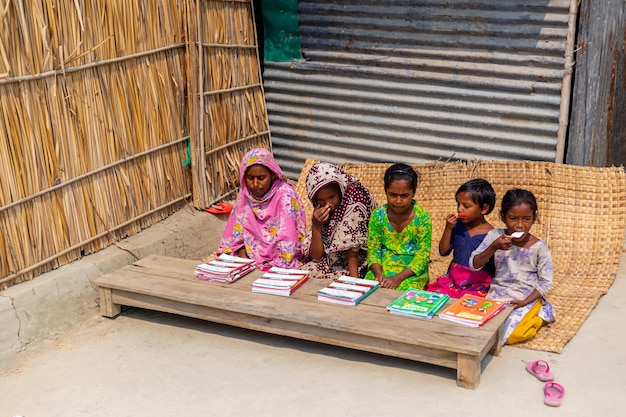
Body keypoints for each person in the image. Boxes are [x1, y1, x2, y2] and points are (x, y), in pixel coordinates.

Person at [470, 188, 555, 345]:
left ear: (534, 218)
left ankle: (541, 313)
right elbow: (474, 264)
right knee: (480, 326)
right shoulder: (495, 236)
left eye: (527, 219)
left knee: (515, 333)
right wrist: (493, 247)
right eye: (513, 218)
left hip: (526, 296)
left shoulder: (539, 247)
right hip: (498, 293)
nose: (520, 225)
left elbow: (545, 282)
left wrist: (524, 302)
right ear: (503, 217)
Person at [216, 148, 306, 270]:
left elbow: (288, 239)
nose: (255, 184)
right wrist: (243, 256)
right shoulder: (245, 195)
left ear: (272, 175)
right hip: (249, 256)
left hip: (278, 258)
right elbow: (237, 233)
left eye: (261, 178)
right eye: (250, 178)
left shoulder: (284, 196)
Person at [301, 162, 377, 279]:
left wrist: (354, 282)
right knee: (302, 277)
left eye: (331, 197)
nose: (328, 204)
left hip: (354, 264)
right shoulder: (320, 211)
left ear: (340, 190)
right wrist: (316, 226)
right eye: (321, 200)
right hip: (328, 262)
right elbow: (317, 257)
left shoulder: (356, 198)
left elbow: (352, 246)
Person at [364, 163, 432, 290]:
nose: (398, 201)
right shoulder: (378, 215)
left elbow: (422, 256)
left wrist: (397, 278)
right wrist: (378, 274)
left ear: (413, 193)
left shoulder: (422, 218)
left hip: (410, 272)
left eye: (404, 195)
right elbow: (374, 249)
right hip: (382, 268)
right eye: (393, 195)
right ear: (385, 191)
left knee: (402, 295)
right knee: (368, 291)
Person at [425, 179, 496, 298]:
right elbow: (443, 251)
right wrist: (448, 228)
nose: (459, 209)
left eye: (466, 206)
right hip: (454, 278)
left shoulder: (492, 235)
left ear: (484, 209)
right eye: (458, 204)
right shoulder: (457, 226)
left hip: (477, 282)